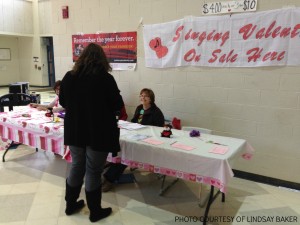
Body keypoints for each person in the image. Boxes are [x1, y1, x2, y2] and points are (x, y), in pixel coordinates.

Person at [59, 43, 124, 222]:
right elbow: (117, 104)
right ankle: (95, 211)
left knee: (76, 166)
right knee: (93, 171)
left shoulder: (69, 77)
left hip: (75, 131)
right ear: (102, 58)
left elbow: (63, 101)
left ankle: (70, 204)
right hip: (98, 132)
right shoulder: (105, 79)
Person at [102, 88, 165, 192]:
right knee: (122, 149)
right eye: (141, 95)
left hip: (148, 141)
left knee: (126, 154)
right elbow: (134, 121)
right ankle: (108, 176)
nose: (142, 98)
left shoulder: (156, 112)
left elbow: (158, 130)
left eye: (145, 96)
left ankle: (109, 179)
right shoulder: (140, 108)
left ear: (151, 99)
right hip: (135, 136)